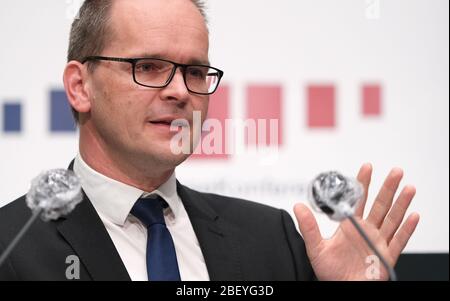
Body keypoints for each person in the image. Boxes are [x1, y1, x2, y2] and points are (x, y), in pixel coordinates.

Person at [0, 0, 419, 281]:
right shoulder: (11, 246)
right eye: (148, 66)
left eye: (196, 72)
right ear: (79, 86)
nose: (180, 91)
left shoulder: (271, 238)